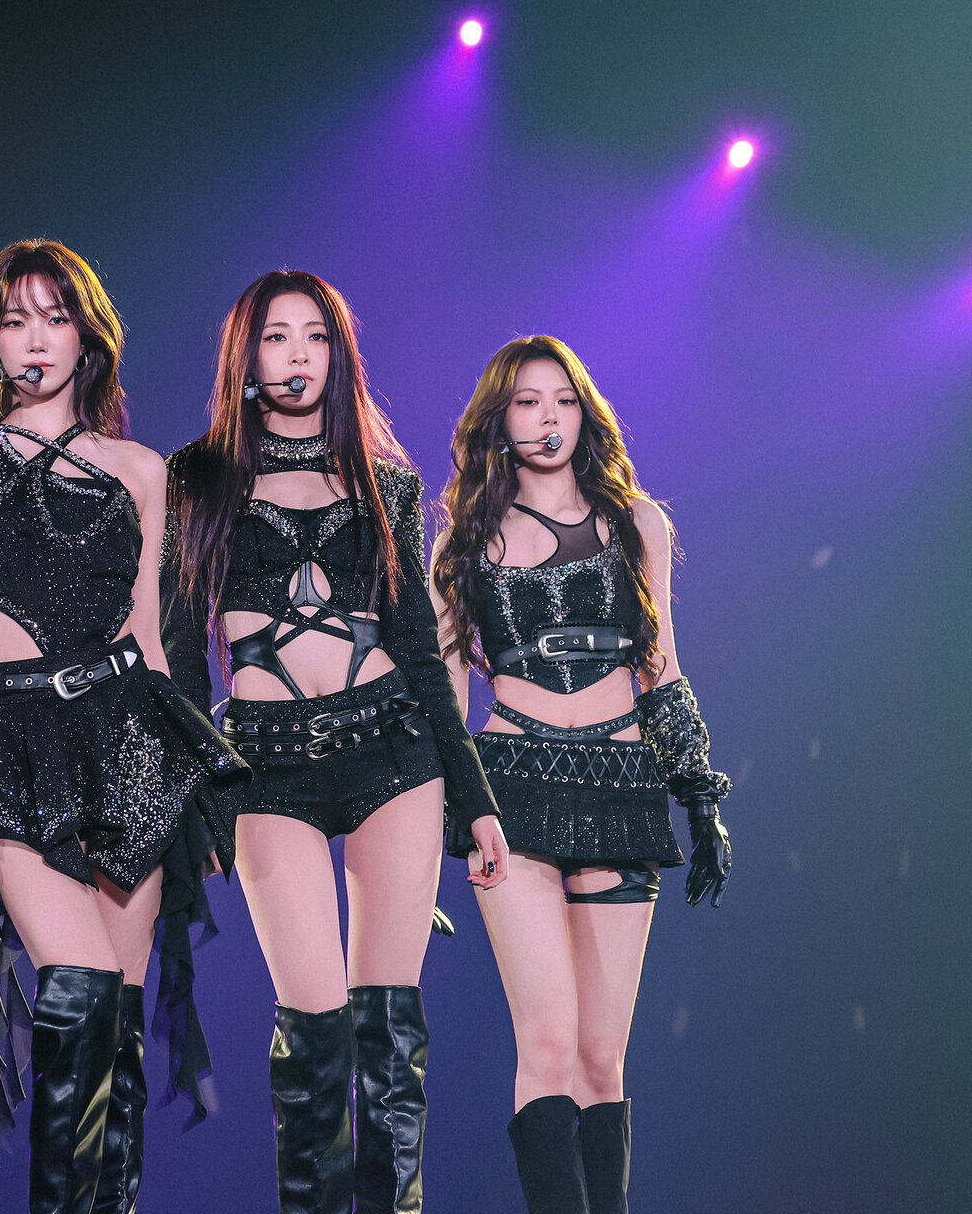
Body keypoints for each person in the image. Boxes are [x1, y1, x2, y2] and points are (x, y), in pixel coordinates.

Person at [0, 239, 245, 1214]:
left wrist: (189, 792)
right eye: (14, 320)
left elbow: (152, 639)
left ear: (88, 337)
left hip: (129, 738)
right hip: (5, 741)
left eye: (55, 318)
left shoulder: (141, 469)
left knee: (120, 1029)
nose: (35, 339)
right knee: (83, 985)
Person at [164, 271, 508, 1213]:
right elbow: (181, 659)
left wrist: (474, 799)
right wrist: (205, 796)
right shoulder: (196, 478)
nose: (298, 355)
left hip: (392, 749)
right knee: (313, 1026)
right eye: (277, 337)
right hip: (264, 765)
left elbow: (421, 655)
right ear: (246, 357)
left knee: (388, 1034)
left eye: (315, 336)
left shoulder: (384, 483)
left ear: (339, 354)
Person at [430, 336, 733, 1214]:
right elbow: (445, 692)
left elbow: (661, 666)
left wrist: (698, 794)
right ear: (499, 420)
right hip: (512, 785)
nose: (548, 418)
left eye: (563, 399)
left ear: (585, 411)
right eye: (527, 402)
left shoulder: (639, 524)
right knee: (550, 1043)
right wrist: (447, 815)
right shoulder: (463, 541)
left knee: (603, 1059)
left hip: (622, 783)